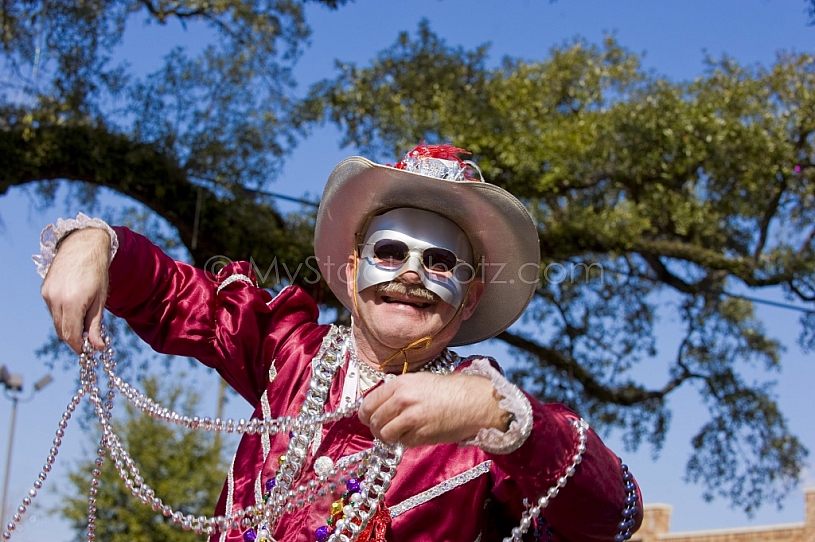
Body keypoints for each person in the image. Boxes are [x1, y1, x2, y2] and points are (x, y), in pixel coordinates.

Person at [36, 144, 643, 542]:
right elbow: (176, 297)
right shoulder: (287, 353)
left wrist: (503, 416)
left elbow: (615, 517)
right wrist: (96, 244)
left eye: (439, 262)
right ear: (352, 271)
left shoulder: (488, 438)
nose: (411, 275)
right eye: (389, 252)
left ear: (472, 295)